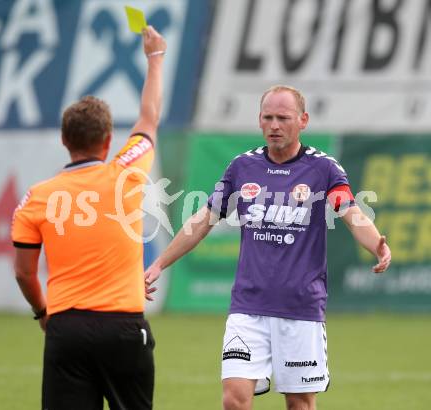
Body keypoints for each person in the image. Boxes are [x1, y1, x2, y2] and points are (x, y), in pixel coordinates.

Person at [144, 85, 391, 410]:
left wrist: (377, 245)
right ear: (260, 121)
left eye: (283, 118)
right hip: (248, 308)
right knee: (234, 398)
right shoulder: (241, 167)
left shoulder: (323, 169)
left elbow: (351, 212)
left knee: (299, 404)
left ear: (303, 120)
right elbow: (203, 220)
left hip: (301, 309)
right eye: (268, 117)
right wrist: (160, 262)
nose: (274, 125)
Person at [11, 26, 166, 410]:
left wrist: (42, 312)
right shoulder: (125, 172)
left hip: (67, 329)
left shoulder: (37, 197)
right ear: (109, 140)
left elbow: (24, 273)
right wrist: (155, 58)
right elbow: (148, 118)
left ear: (65, 140)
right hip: (123, 327)